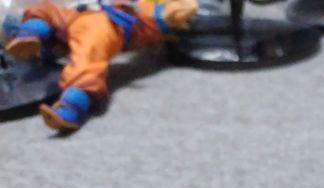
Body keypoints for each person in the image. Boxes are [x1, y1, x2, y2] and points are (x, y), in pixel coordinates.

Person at [4, 0, 197, 133]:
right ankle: (30, 35)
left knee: (88, 56)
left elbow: (178, 11)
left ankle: (73, 104)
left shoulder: (151, 12)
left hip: (107, 24)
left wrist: (174, 12)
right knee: (44, 10)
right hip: (76, 14)